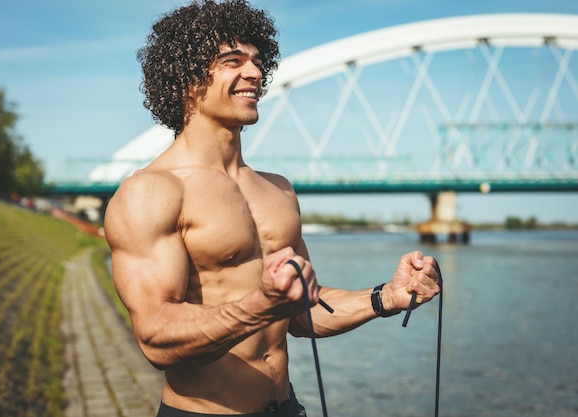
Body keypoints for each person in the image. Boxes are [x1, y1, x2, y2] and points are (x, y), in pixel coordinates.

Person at [104, 1, 442, 416]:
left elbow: (302, 315)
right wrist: (258, 307)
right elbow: (156, 338)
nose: (255, 73)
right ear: (187, 78)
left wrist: (386, 297)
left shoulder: (277, 190)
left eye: (258, 62)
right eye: (233, 61)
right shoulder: (152, 192)